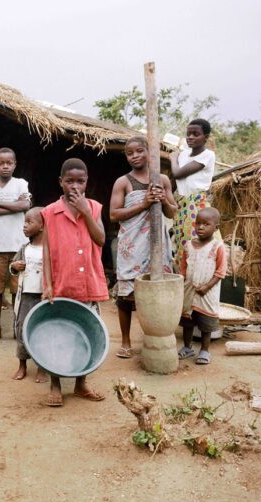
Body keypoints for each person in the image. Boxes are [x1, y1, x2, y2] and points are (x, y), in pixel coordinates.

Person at [41, 158, 108, 407]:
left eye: (80, 181)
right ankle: (55, 385)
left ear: (87, 182)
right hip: (61, 283)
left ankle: (81, 384)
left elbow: (100, 239)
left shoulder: (95, 208)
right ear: (61, 182)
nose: (75, 186)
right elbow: (47, 252)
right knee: (58, 335)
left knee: (86, 333)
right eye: (69, 181)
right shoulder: (49, 212)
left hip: (87, 283)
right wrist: (47, 284)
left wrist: (86, 212)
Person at [109, 137, 177, 358]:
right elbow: (113, 214)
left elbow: (172, 212)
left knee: (158, 291)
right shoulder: (123, 182)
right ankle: (126, 341)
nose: (135, 156)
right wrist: (144, 204)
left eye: (139, 151)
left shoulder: (162, 179)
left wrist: (163, 201)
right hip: (132, 245)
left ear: (149, 152)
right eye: (130, 153)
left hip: (157, 245)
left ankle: (155, 336)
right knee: (126, 296)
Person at [0, 148, 31, 344]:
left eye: (9, 163)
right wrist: (14, 205)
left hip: (19, 246)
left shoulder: (21, 183)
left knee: (16, 289)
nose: (5, 166)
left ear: (14, 164)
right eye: (1, 163)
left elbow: (25, 206)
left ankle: (16, 326)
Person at [178, 207, 227, 365]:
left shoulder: (217, 247)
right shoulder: (188, 246)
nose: (200, 227)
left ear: (216, 228)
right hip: (189, 291)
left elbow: (220, 272)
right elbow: (183, 268)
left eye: (206, 224)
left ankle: (205, 350)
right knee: (187, 321)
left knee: (206, 324)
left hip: (207, 293)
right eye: (198, 223)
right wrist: (180, 283)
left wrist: (207, 287)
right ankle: (187, 347)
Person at [169, 118, 219, 268]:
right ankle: (184, 281)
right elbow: (174, 181)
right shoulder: (183, 154)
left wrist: (172, 158)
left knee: (198, 244)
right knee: (181, 244)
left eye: (195, 134)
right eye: (188, 134)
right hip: (182, 205)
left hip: (197, 206)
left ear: (206, 137)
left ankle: (201, 280)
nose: (190, 137)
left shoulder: (208, 155)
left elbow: (177, 173)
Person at [10, 207, 48, 382]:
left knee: (43, 330)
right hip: (26, 297)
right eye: (24, 222)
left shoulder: (50, 249)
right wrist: (15, 266)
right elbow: (12, 267)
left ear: (42, 226)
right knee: (22, 328)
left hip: (45, 297)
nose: (24, 226)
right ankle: (22, 365)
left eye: (29, 222)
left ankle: (42, 367)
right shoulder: (25, 249)